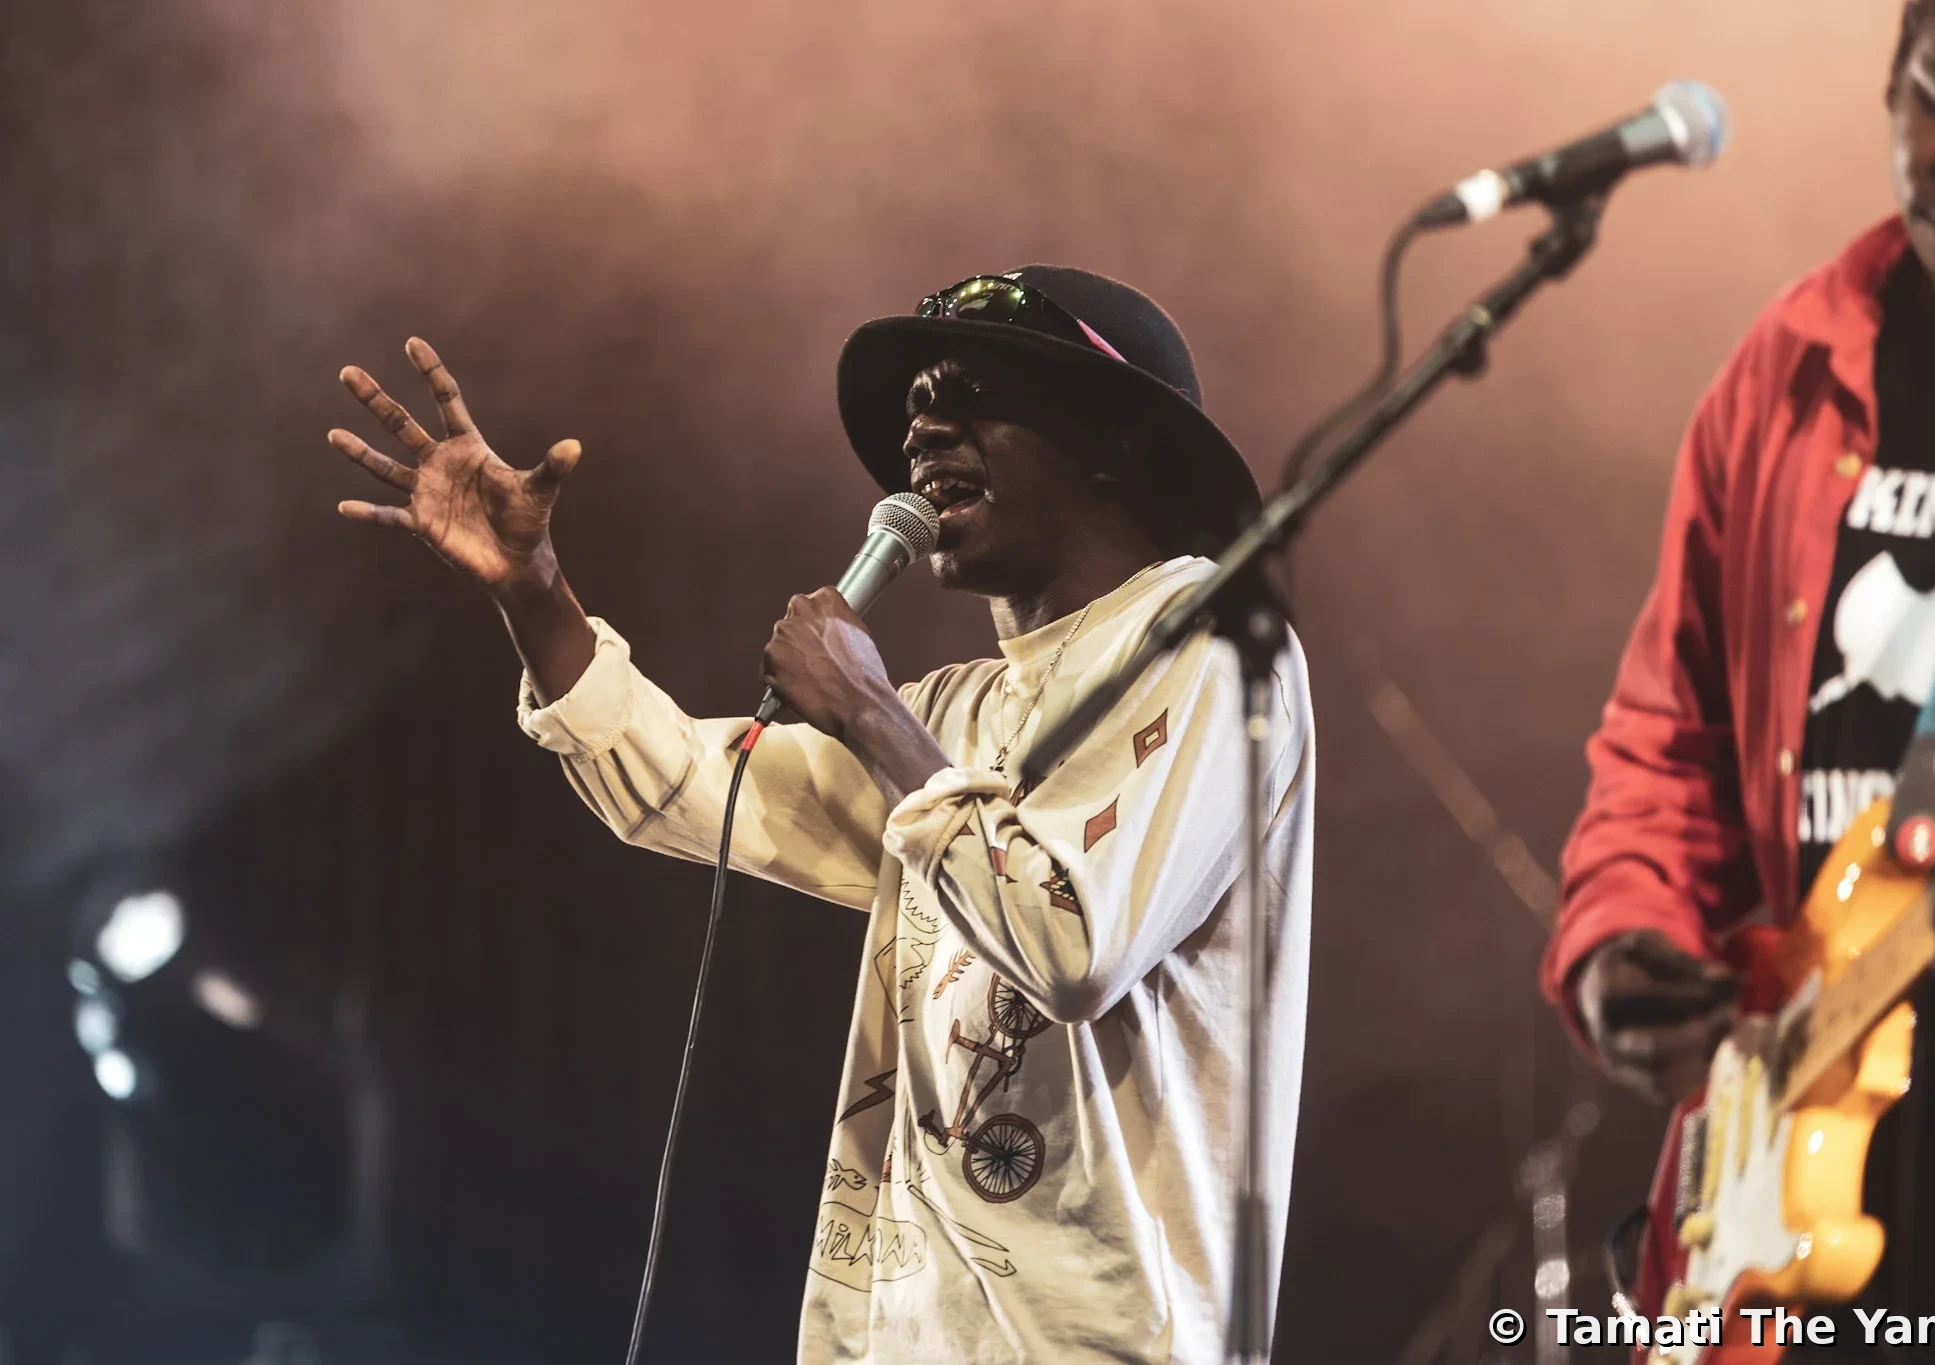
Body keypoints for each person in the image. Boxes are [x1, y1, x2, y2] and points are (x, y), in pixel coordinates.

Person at [323, 268, 1316, 1363]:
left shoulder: (1209, 638)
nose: (925, 430)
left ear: (1113, 445)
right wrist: (532, 591)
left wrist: (865, 709)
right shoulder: (954, 711)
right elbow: (685, 785)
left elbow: (1072, 944)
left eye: (972, 392)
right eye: (915, 410)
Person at [1544, 2, 1935, 1359]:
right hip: (1780, 1216)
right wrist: (1617, 936)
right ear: (1891, 84)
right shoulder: (1787, 367)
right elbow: (1665, 741)